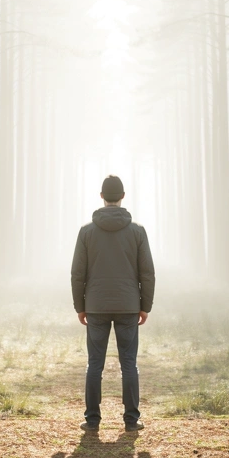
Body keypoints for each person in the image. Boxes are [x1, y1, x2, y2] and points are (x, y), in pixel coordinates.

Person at [70, 175, 156, 432]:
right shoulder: (137, 231)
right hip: (129, 305)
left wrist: (80, 306)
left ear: (101, 197)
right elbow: (147, 273)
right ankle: (131, 420)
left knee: (95, 364)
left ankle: (92, 421)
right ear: (122, 197)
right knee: (128, 363)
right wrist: (145, 305)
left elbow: (77, 273)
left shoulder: (86, 232)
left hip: (95, 305)